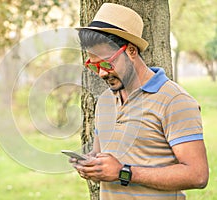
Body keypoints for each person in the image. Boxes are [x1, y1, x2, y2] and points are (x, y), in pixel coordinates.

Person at [71, 3, 209, 200]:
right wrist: (93, 167)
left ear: (132, 51)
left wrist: (123, 172)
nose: (101, 73)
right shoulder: (105, 102)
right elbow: (104, 158)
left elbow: (198, 175)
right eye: (94, 66)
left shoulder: (175, 101)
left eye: (106, 63)